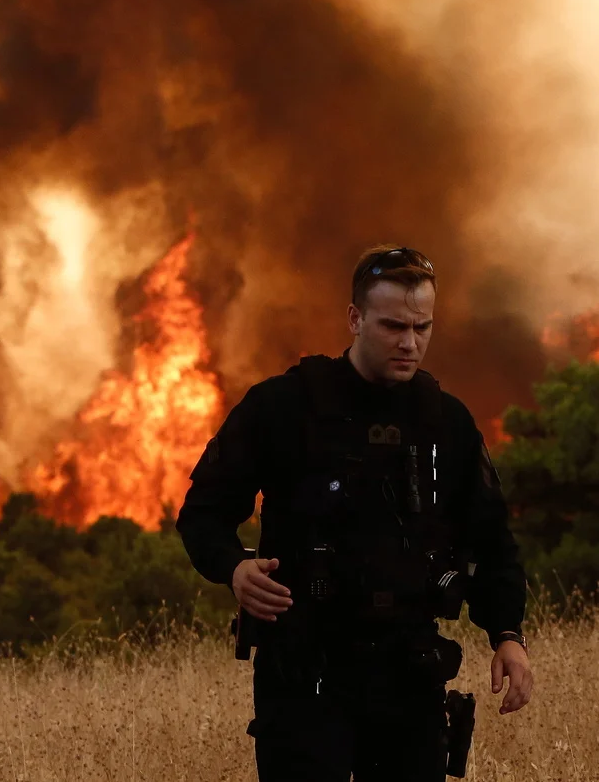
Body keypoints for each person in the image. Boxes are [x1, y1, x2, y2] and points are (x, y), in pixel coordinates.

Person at [175, 245, 533, 781]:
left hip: (410, 673)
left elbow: (493, 540)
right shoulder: (283, 407)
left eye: (422, 327)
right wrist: (234, 567)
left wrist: (507, 634)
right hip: (304, 673)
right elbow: (202, 512)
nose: (409, 343)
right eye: (393, 326)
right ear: (354, 318)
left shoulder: (447, 423)